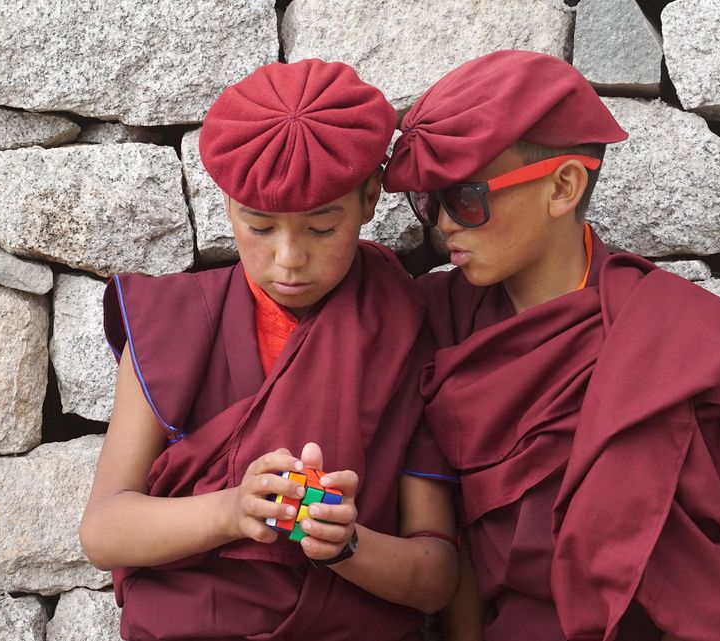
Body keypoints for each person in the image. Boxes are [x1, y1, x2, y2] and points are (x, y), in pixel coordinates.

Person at [382, 50, 720, 641]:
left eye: (465, 199)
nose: (443, 225)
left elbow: (711, 571)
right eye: (428, 202)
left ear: (562, 187)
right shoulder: (439, 320)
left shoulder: (674, 340)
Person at [80, 58, 459, 641]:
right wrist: (233, 511)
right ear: (228, 205)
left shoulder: (409, 330)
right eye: (259, 227)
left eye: (322, 228)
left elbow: (437, 577)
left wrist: (345, 545)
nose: (288, 258)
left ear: (370, 198)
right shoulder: (177, 321)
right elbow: (104, 530)